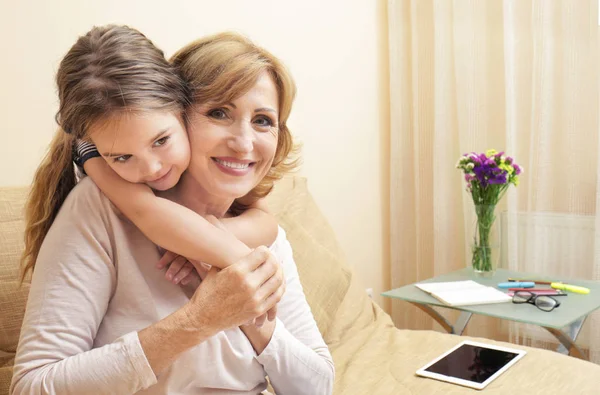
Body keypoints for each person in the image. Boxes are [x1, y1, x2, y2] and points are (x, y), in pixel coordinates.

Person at [10, 25, 334, 394]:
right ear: (179, 112)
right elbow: (32, 388)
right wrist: (199, 320)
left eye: (263, 120)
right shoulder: (102, 208)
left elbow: (316, 386)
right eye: (219, 113)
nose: (244, 143)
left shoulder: (259, 231)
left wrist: (251, 315)